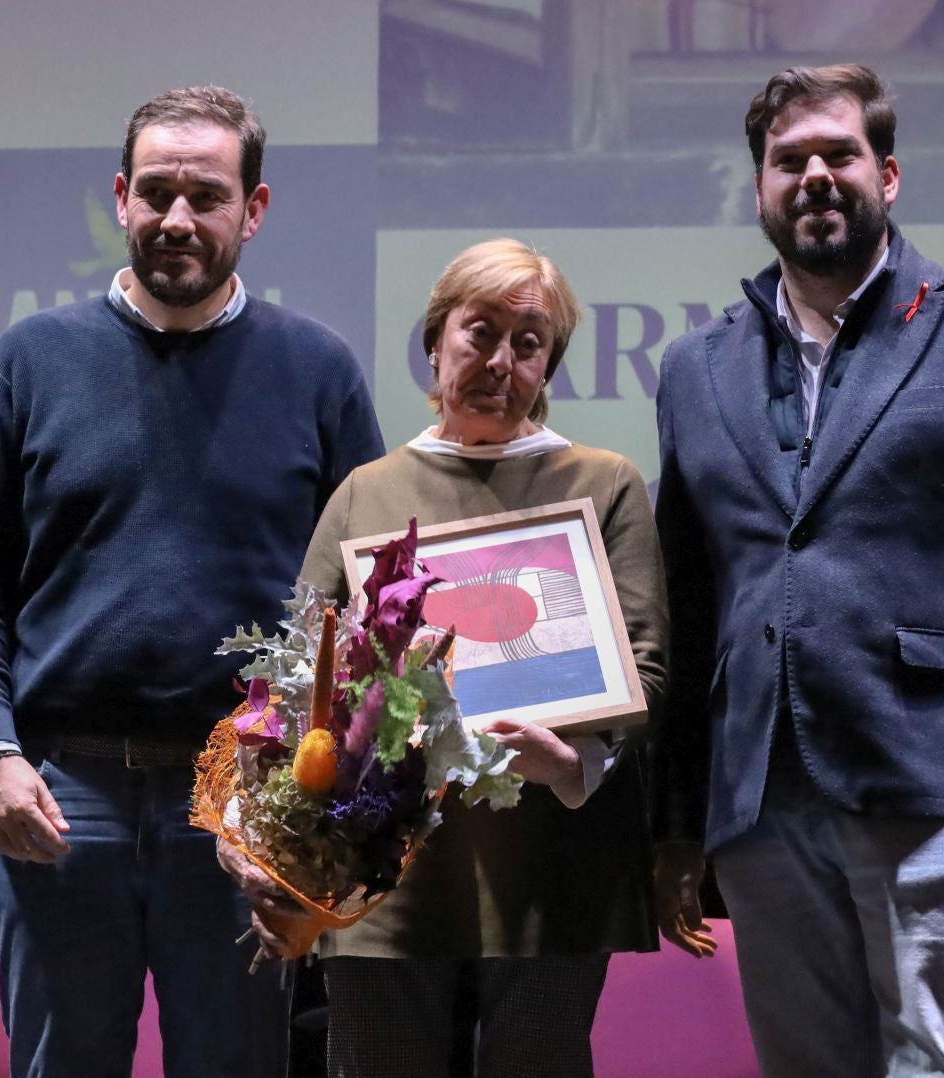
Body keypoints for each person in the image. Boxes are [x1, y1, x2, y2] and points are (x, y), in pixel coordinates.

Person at [652, 64, 944, 1078]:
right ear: (759, 188)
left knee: (939, 1067)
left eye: (840, 154)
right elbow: (691, 601)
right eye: (789, 160)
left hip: (936, 777)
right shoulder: (695, 369)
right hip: (760, 795)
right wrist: (677, 819)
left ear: (888, 175)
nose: (816, 175)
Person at [0, 84, 385, 1077]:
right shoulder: (32, 359)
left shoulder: (320, 371)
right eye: (158, 192)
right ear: (122, 196)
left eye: (208, 196)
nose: (179, 219)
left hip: (244, 806)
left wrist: (316, 812)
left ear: (252, 211)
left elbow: (371, 602)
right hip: (62, 800)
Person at [236, 238, 669, 1077]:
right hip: (383, 871)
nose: (500, 360)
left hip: (552, 865)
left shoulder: (605, 483)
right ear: (436, 342)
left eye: (529, 342)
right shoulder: (368, 491)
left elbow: (644, 675)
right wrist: (278, 844)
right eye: (480, 332)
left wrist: (569, 763)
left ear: (549, 367)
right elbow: (294, 685)